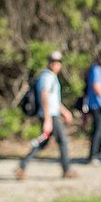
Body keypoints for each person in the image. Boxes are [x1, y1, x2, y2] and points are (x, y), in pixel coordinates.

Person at [15, 51, 78, 179]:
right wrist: (48, 119)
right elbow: (44, 97)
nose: (56, 65)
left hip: (52, 113)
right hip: (50, 115)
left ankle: (22, 166)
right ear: (49, 63)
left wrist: (64, 111)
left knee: (43, 142)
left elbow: (54, 100)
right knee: (63, 141)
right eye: (54, 62)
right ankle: (67, 170)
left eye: (59, 62)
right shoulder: (47, 77)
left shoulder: (51, 76)